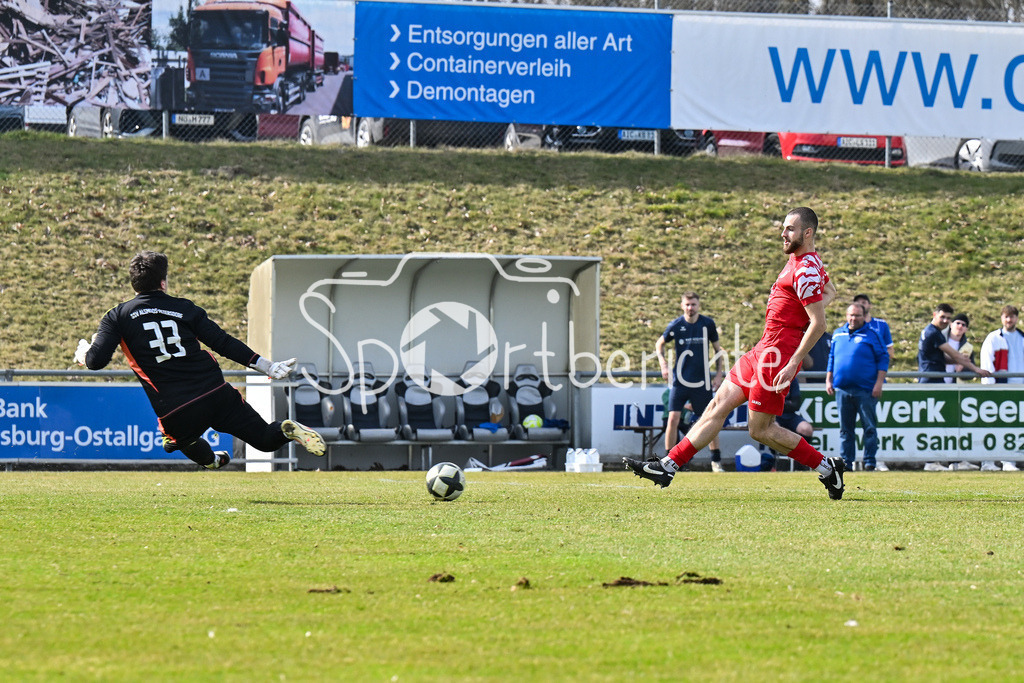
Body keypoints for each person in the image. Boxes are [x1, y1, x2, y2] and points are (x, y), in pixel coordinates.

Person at [625, 207, 846, 500]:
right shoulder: (806, 262)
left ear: (808, 233)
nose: (783, 233)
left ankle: (827, 468)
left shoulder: (805, 269)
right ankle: (667, 466)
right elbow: (830, 292)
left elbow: (819, 324)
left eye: (790, 229)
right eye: (783, 227)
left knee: (761, 430)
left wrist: (793, 360)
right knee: (717, 406)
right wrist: (799, 314)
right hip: (763, 348)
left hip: (777, 356)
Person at [73, 251, 326, 469]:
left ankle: (213, 461)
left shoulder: (117, 316)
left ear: (133, 283)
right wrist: (267, 366)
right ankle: (286, 429)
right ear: (163, 283)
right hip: (215, 391)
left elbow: (96, 361)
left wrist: (85, 352)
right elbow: (223, 342)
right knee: (265, 439)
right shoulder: (184, 308)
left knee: (176, 441)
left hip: (176, 407)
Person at [655, 292, 725, 471]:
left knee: (709, 419)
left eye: (693, 304)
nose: (690, 308)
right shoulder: (676, 325)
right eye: (687, 304)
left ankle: (716, 461)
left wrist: (719, 374)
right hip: (680, 380)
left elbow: (718, 350)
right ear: (682, 306)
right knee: (673, 418)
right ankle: (669, 461)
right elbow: (659, 344)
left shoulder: (707, 324)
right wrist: (663, 364)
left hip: (702, 382)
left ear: (698, 305)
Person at [826, 303, 888, 471]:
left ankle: (869, 462)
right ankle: (846, 463)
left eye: (857, 315)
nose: (854, 318)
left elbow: (883, 359)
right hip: (842, 389)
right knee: (845, 430)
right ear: (847, 316)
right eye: (851, 315)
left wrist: (879, 383)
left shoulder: (872, 335)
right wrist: (828, 379)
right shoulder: (838, 334)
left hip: (865, 390)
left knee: (869, 427)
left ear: (864, 316)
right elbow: (832, 357)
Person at [979, 305, 1024, 471]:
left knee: (1013, 426)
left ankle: (1009, 461)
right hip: (999, 388)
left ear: (1017, 318)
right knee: (991, 424)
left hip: (1019, 389)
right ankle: (987, 462)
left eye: (1012, 316)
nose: (1009, 320)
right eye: (1006, 316)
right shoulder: (994, 338)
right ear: (1001, 318)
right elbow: (987, 363)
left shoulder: (1022, 338)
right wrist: (989, 387)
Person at [917, 304, 989, 383]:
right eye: (942, 317)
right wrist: (976, 369)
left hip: (928, 376)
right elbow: (955, 355)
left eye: (948, 318)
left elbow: (937, 358)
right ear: (934, 315)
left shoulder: (928, 330)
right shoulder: (934, 333)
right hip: (932, 378)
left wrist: (958, 361)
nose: (945, 321)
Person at [853, 294, 895, 361]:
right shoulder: (850, 326)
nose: (861, 305)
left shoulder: (881, 324)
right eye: (858, 303)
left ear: (870, 305)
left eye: (864, 302)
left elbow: (890, 350)